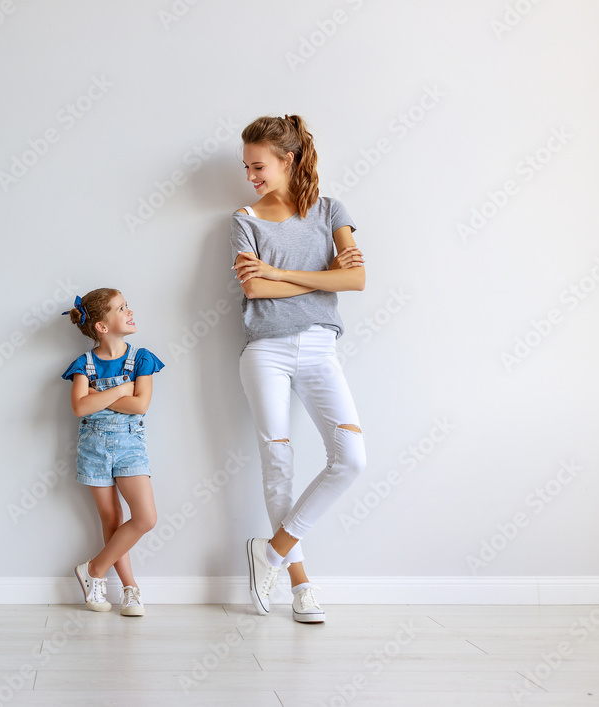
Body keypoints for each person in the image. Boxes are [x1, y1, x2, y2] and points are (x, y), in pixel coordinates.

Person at [230, 114, 367, 622]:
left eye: (258, 165)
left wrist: (281, 272)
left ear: (288, 159)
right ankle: (300, 585)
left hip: (319, 348)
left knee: (350, 458)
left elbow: (356, 281)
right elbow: (254, 290)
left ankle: (269, 551)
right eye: (246, 167)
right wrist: (323, 276)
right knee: (278, 464)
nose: (251, 176)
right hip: (264, 348)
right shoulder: (243, 219)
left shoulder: (331, 210)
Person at [61, 288, 165, 616]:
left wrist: (100, 396)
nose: (130, 312)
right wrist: (121, 389)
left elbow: (141, 404)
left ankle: (93, 569)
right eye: (122, 308)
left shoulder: (142, 358)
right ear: (103, 327)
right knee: (112, 520)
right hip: (93, 449)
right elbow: (79, 407)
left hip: (130, 447)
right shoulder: (84, 363)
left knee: (145, 518)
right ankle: (130, 589)